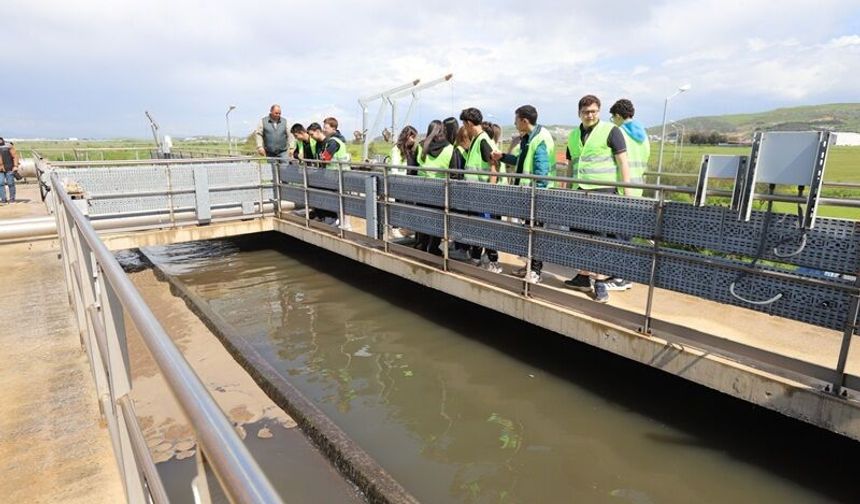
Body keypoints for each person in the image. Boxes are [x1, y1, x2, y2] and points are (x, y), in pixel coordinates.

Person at [563, 94, 633, 303]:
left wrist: (627, 192)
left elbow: (623, 161)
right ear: (579, 113)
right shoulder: (574, 135)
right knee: (580, 236)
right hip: (579, 191)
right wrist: (567, 189)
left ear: (599, 112)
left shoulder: (611, 131)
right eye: (586, 112)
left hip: (603, 191)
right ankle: (584, 277)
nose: (590, 115)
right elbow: (570, 165)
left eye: (593, 111)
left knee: (601, 238)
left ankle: (600, 282)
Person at [490, 105, 555, 284]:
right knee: (529, 232)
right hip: (529, 194)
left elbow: (541, 173)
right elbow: (521, 161)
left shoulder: (540, 139)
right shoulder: (529, 138)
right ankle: (529, 267)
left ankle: (535, 272)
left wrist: (537, 197)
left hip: (537, 196)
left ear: (524, 121)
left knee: (536, 233)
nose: (515, 123)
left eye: (516, 120)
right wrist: (502, 156)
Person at [460, 107, 501, 273]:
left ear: (469, 123)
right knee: (479, 226)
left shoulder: (483, 140)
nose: (464, 128)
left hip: (482, 193)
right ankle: (477, 256)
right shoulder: (478, 139)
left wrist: (489, 190)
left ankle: (493, 261)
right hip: (475, 192)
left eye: (464, 124)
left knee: (486, 226)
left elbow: (493, 166)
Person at [609, 98, 650, 197]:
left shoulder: (618, 133)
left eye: (612, 118)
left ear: (618, 116)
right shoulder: (644, 136)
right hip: (637, 187)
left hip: (621, 188)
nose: (613, 121)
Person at [0, 138, 19, 204]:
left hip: (10, 168)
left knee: (11, 183)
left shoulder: (8, 146)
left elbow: (15, 156)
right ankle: (3, 199)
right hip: (0, 169)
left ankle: (12, 199)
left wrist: (15, 166)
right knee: (1, 183)